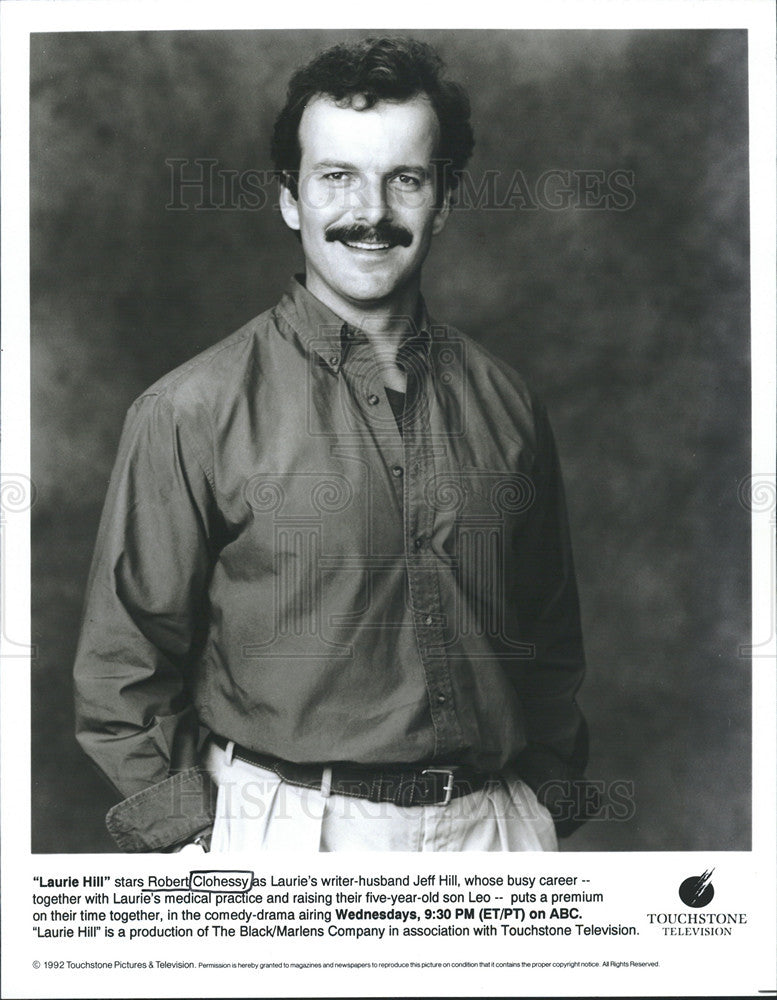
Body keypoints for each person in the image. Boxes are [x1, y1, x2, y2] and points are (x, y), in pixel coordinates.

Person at [74, 36, 591, 853]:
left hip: (492, 831)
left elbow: (549, 636)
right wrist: (194, 846)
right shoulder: (189, 409)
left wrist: (542, 804)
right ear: (291, 200)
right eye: (336, 176)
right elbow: (122, 664)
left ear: (444, 200)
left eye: (406, 179)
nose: (371, 211)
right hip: (285, 834)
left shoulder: (509, 402)